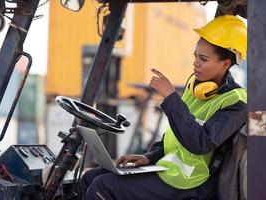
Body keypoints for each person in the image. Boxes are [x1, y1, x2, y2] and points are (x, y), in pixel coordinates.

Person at [79, 15, 247, 200]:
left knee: (102, 187)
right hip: (171, 172)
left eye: (204, 59)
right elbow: (174, 136)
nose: (195, 63)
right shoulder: (196, 87)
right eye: (195, 56)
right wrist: (150, 157)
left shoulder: (235, 102)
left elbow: (200, 143)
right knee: (89, 177)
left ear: (225, 64)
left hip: (192, 182)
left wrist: (171, 98)